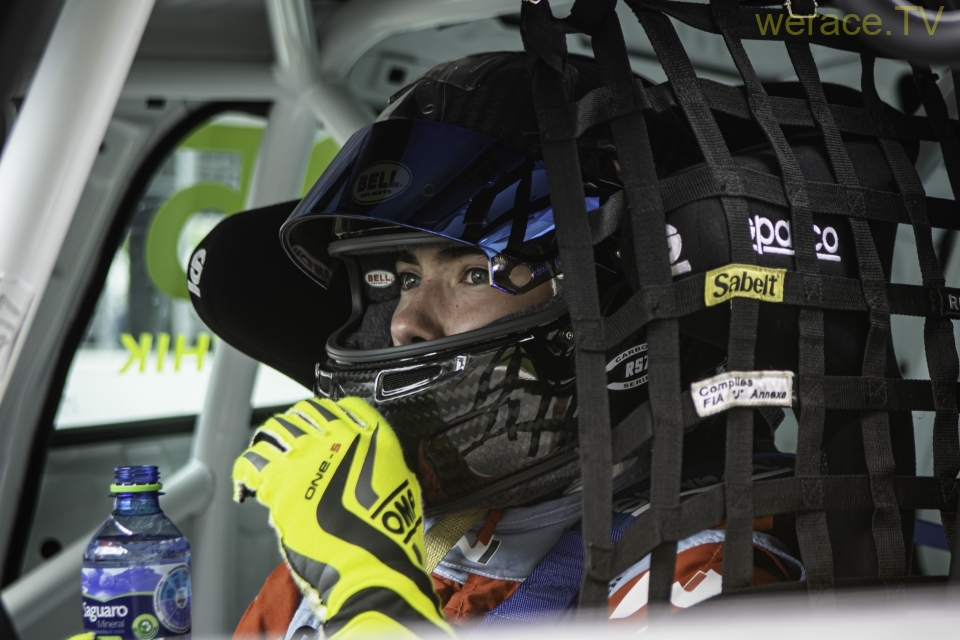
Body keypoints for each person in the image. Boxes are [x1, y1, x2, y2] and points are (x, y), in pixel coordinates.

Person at [224, 50, 911, 639]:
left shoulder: (698, 581)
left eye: (472, 273)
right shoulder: (358, 530)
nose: (406, 321)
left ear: (611, 298)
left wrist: (369, 600)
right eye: (404, 278)